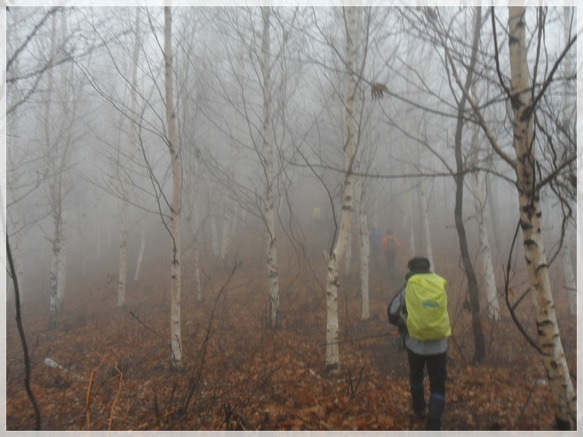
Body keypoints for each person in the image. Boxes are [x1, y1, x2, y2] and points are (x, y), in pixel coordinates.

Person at [388, 256, 451, 430]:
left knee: (416, 377)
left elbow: (391, 312)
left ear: (411, 269)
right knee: (438, 386)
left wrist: (403, 324)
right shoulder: (439, 283)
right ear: (427, 268)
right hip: (439, 344)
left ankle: (419, 409)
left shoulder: (410, 285)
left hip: (415, 344)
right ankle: (434, 424)